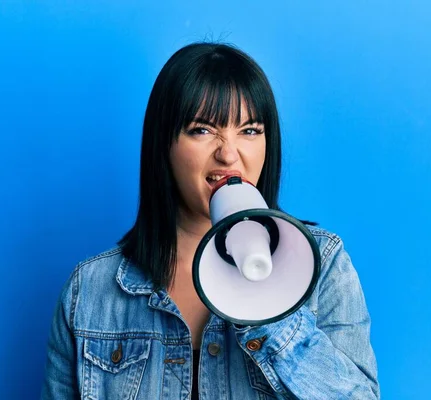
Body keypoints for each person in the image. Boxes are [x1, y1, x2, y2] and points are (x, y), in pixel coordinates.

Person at [41, 42, 380, 399]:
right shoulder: (91, 291)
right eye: (202, 130)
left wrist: (271, 309)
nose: (229, 153)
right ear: (164, 144)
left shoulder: (322, 264)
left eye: (249, 130)